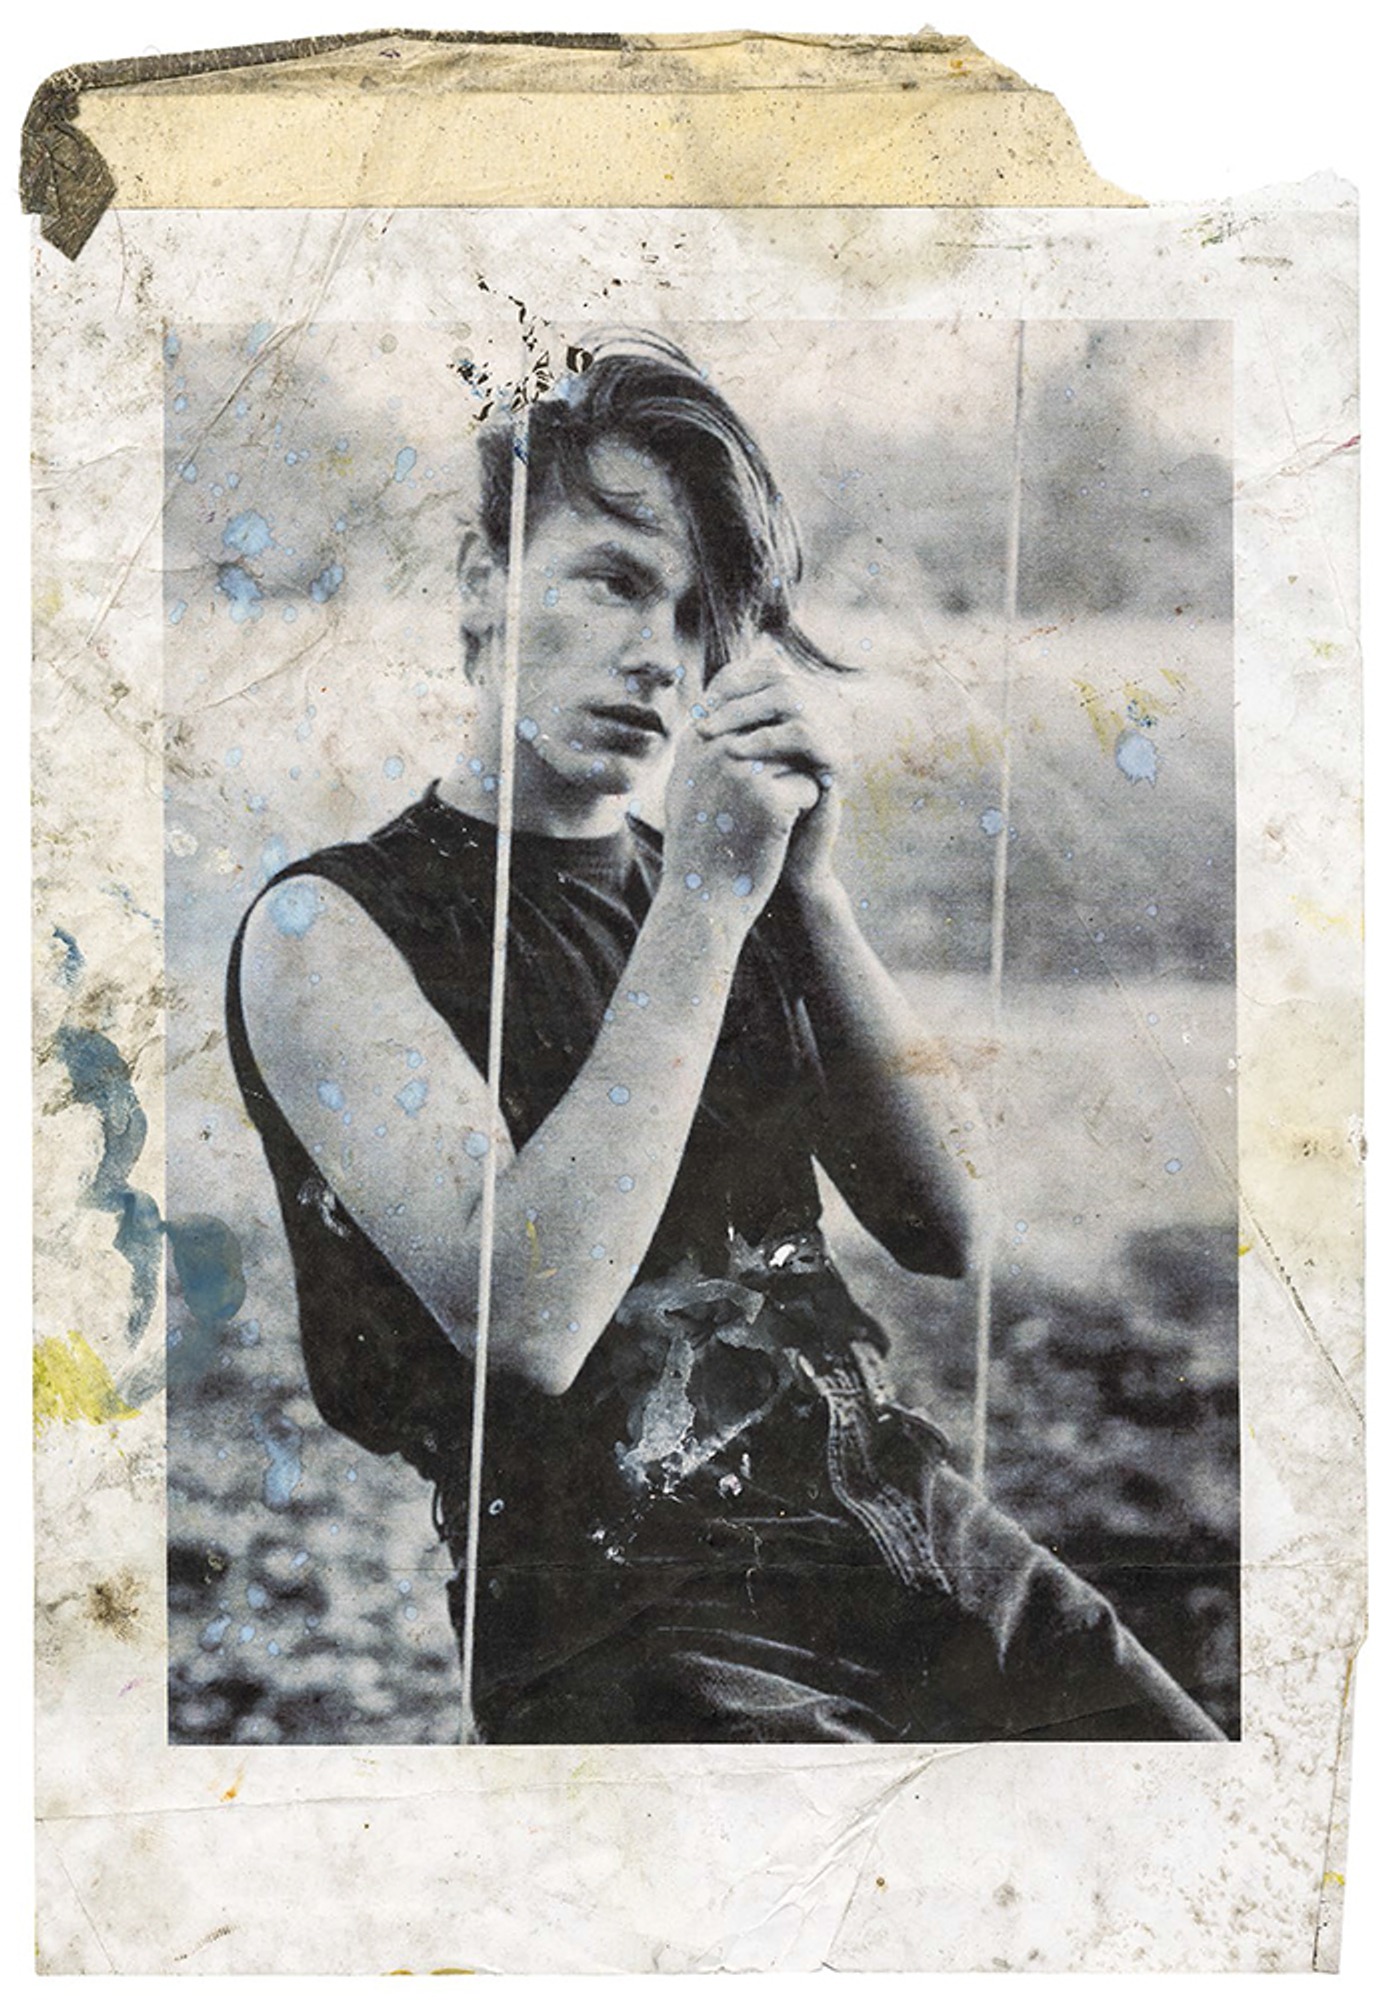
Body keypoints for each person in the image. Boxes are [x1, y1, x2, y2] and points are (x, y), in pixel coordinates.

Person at [227, 332, 1222, 1744]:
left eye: (701, 618)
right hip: (624, 1611)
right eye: (613, 581)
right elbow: (525, 1324)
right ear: (479, 584)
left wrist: (808, 897)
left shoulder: (724, 881)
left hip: (916, 1536)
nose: (660, 657)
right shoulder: (329, 925)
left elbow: (947, 1226)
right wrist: (705, 900)